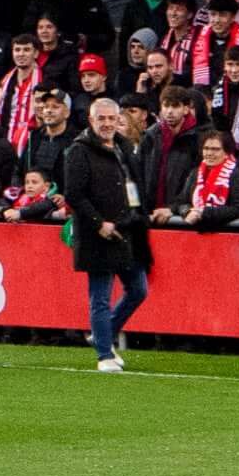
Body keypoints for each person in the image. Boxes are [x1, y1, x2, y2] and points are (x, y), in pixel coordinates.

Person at [64, 94, 155, 371]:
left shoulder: (124, 147)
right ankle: (104, 354)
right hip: (98, 234)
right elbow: (74, 194)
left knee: (138, 290)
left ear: (119, 120)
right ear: (91, 120)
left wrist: (139, 216)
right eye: (101, 118)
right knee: (100, 295)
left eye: (111, 118)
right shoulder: (79, 151)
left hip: (128, 229)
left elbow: (135, 185)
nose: (106, 124)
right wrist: (98, 223)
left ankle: (103, 333)